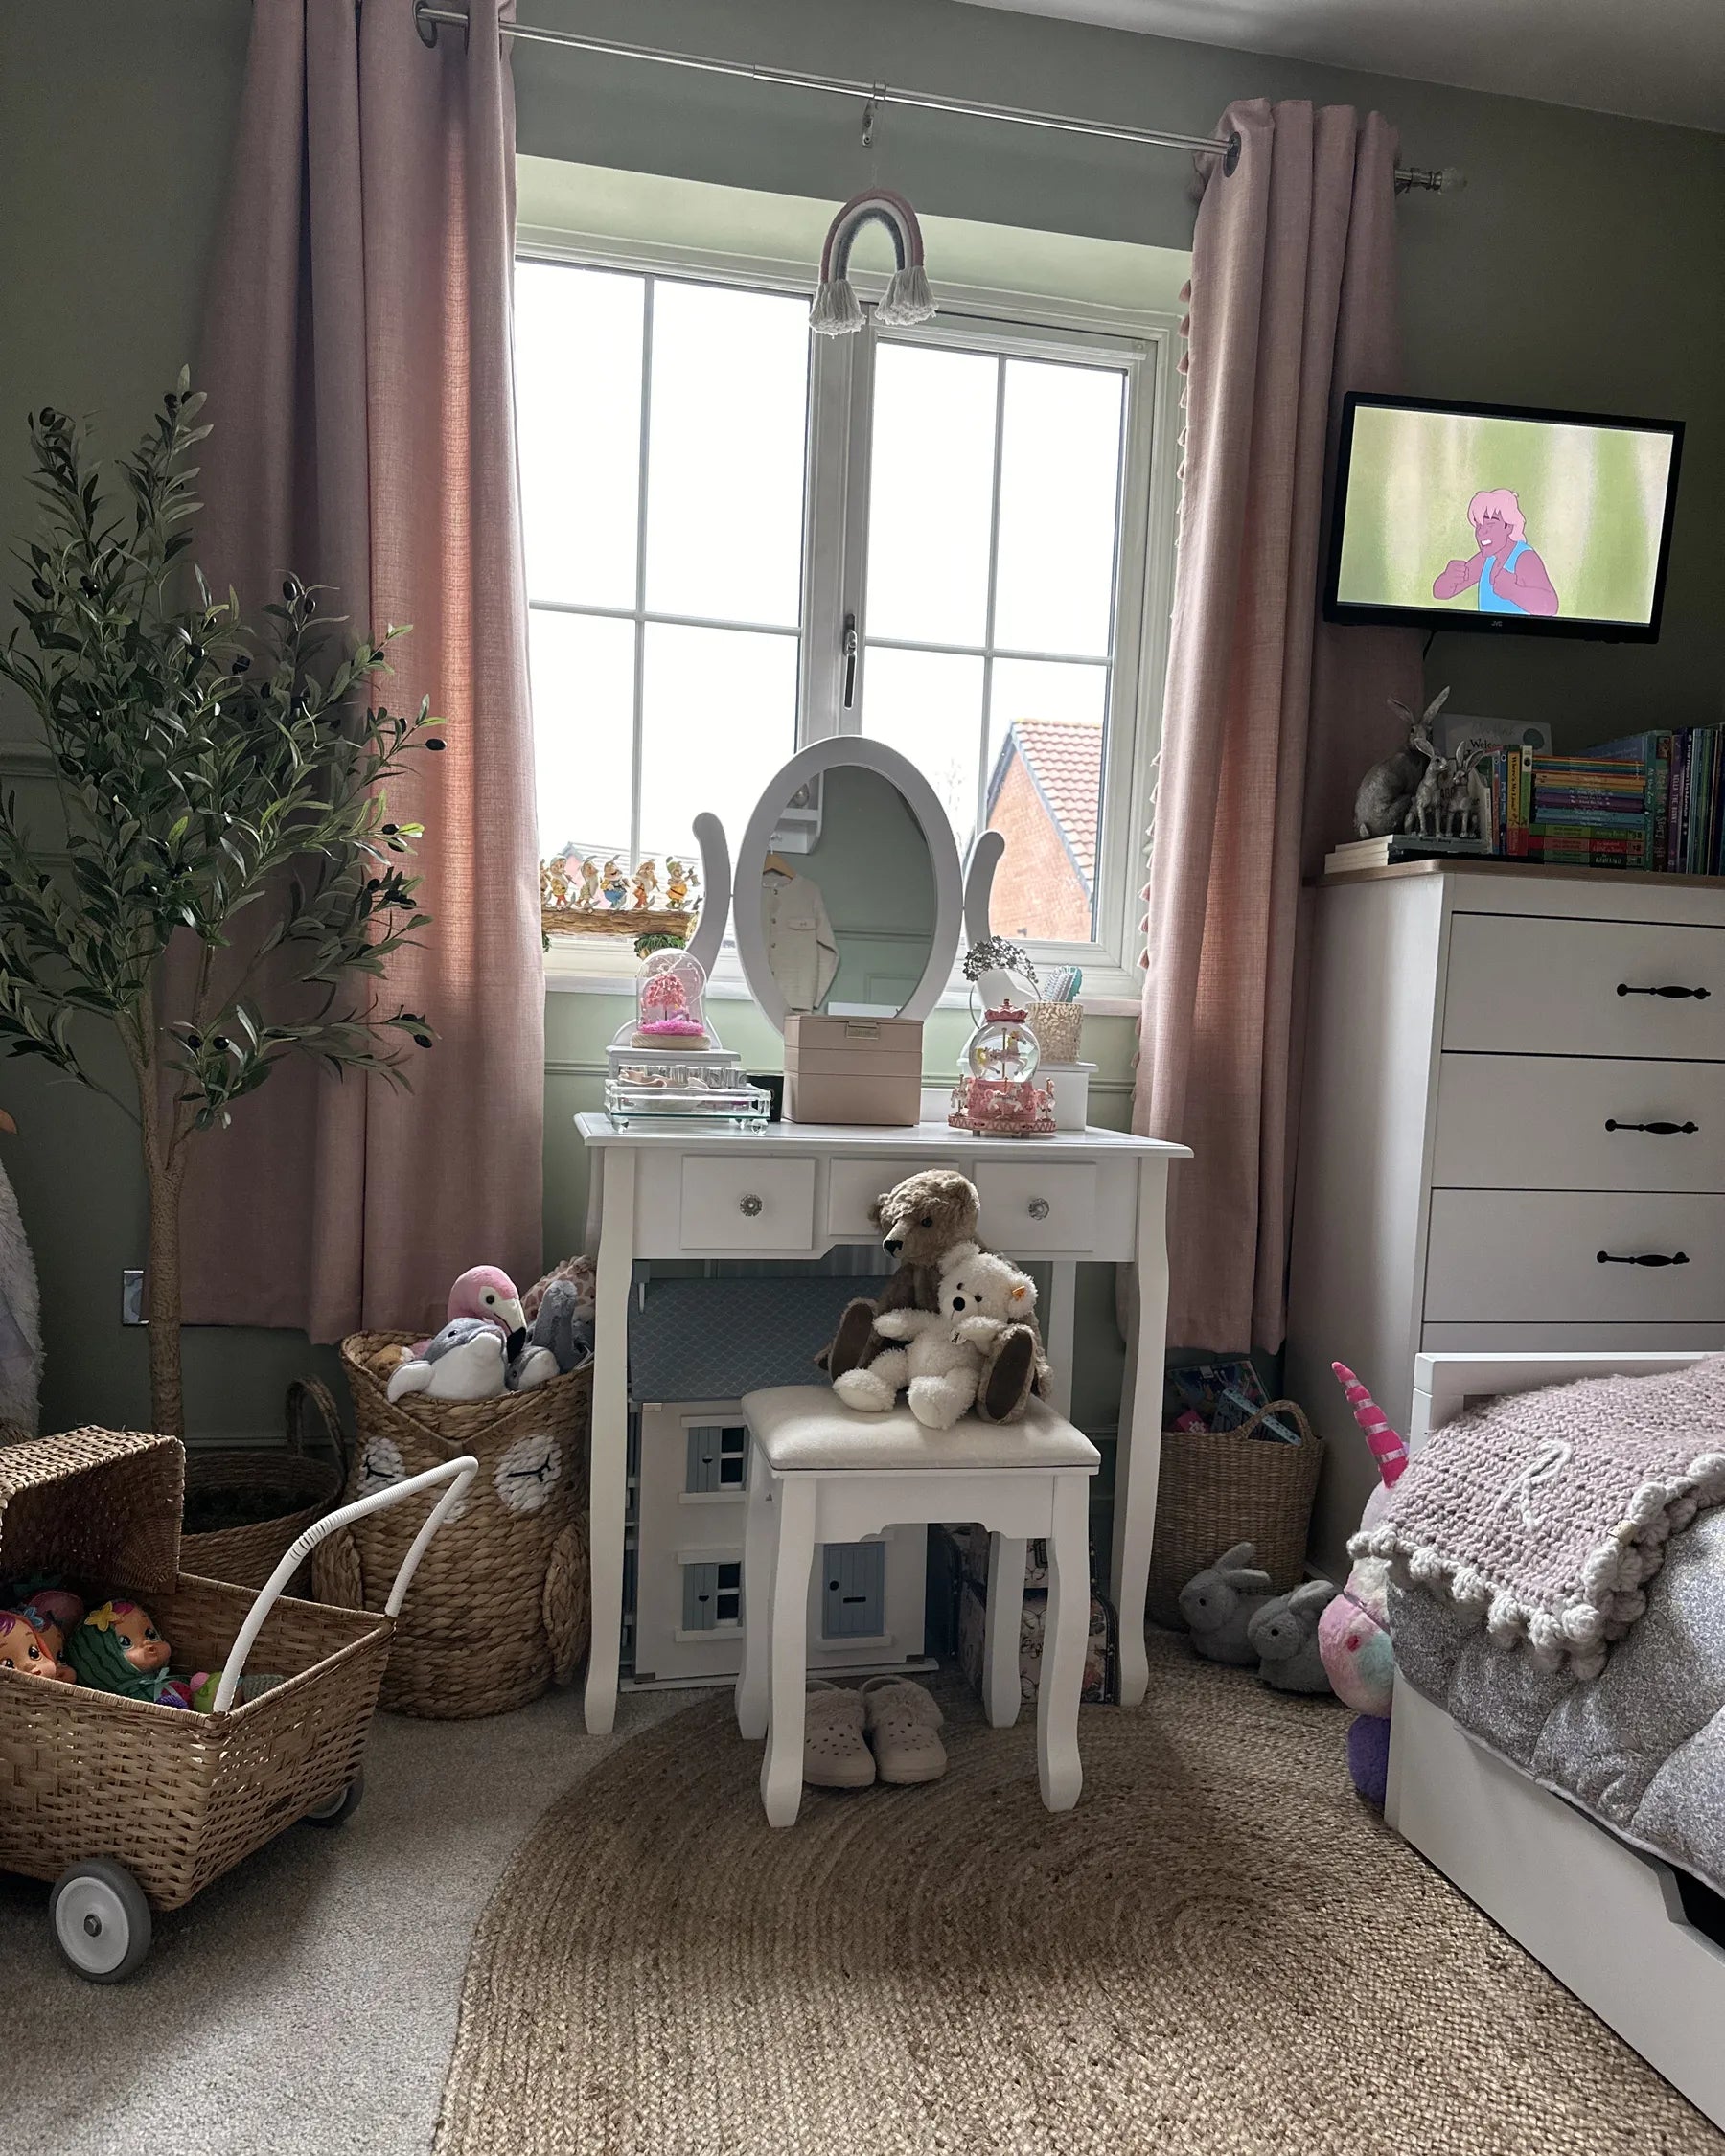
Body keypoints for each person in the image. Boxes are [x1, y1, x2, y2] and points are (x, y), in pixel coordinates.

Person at [1432, 488, 1558, 616]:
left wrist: (1514, 591)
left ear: (1508, 526)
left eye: (1490, 525)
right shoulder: (1485, 559)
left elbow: (1551, 607)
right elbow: (1441, 593)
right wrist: (1448, 578)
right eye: (1479, 526)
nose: (1481, 532)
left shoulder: (1524, 558)